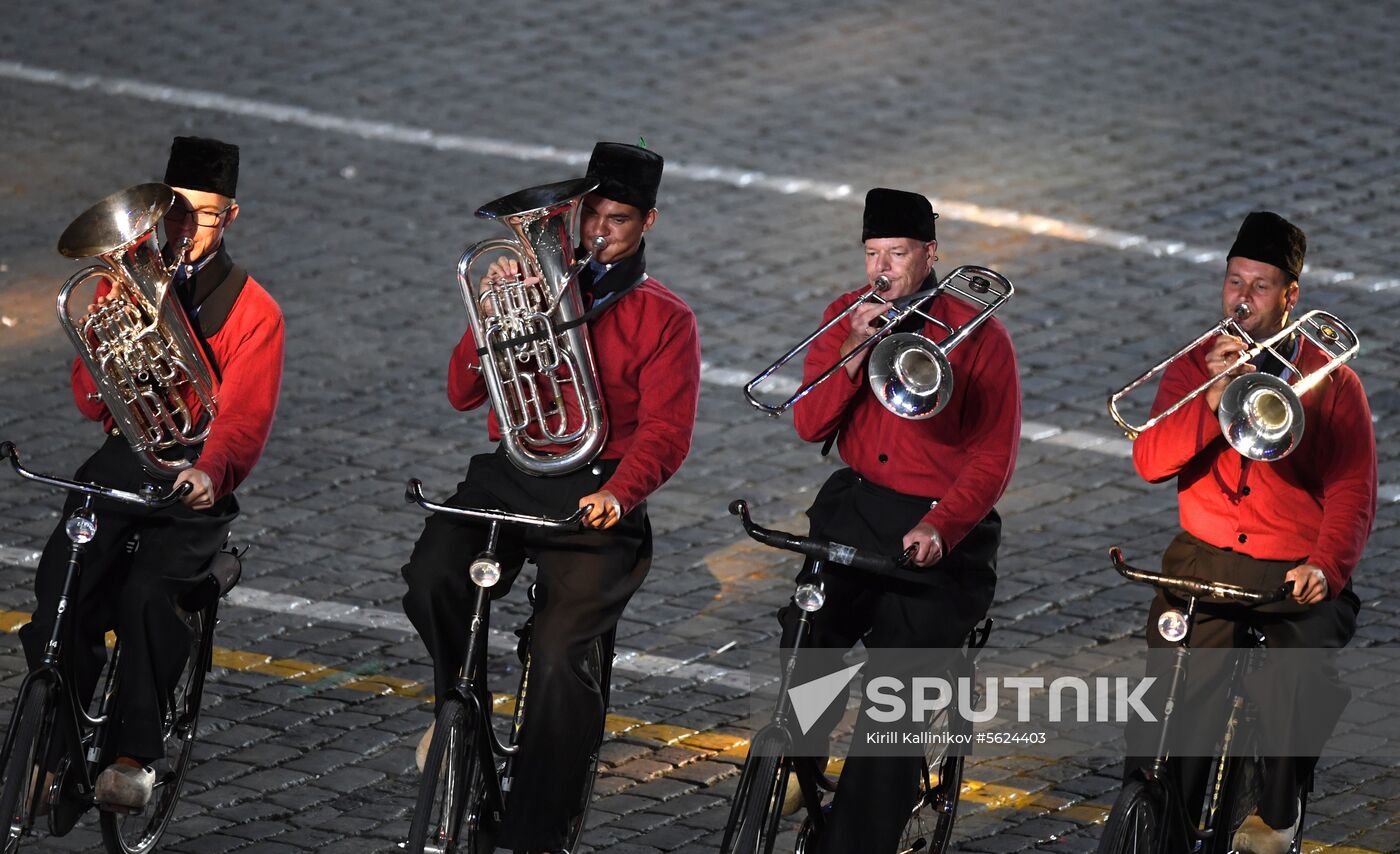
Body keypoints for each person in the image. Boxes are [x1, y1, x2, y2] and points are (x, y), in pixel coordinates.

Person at [400, 141, 701, 853]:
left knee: (565, 655)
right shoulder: (526, 288)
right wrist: (491, 316)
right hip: (514, 467)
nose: (597, 231)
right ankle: (455, 707)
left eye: (617, 219)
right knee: (429, 577)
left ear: (647, 222)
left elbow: (667, 432)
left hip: (599, 487)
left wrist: (622, 494)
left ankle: (535, 833)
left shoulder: (666, 318)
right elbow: (462, 392)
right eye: (588, 215)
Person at [18, 136, 285, 809]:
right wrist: (104, 338)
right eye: (176, 213)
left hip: (192, 474)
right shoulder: (122, 280)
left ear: (231, 217)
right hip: (122, 458)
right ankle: (59, 732)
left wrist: (210, 471)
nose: (188, 231)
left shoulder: (255, 310)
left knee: (149, 599)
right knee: (58, 586)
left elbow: (245, 419)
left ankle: (134, 754)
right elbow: (87, 399)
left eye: (206, 215)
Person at [1124, 212, 1375, 854]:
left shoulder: (1333, 384)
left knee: (1297, 678)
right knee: (1174, 686)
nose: (1242, 299)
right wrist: (1209, 399)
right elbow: (1151, 462)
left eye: (1259, 287)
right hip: (1203, 558)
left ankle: (1279, 808)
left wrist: (1326, 566)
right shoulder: (1196, 364)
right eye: (1234, 282)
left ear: (1291, 295)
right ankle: (1157, 810)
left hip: (1292, 566)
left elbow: (1352, 490)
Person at [782, 188, 1021, 853]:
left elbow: (993, 456)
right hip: (857, 508)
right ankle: (800, 761)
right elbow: (808, 423)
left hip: (940, 529)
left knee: (898, 696)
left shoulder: (981, 337)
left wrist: (942, 526)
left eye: (897, 254)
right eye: (872, 254)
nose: (882, 270)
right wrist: (852, 353)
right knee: (808, 631)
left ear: (929, 253)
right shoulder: (845, 316)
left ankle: (860, 836)